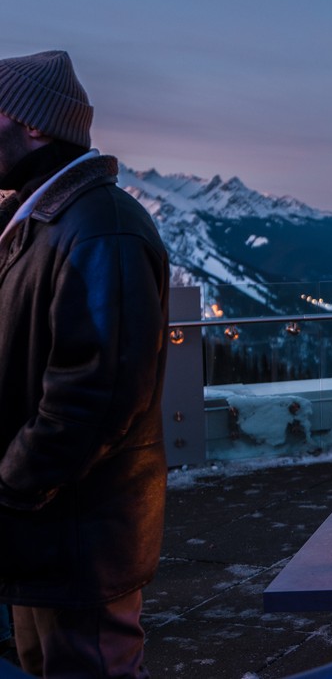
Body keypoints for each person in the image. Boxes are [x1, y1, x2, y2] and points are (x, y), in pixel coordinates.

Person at [0, 50, 170, 677]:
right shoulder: (40, 221)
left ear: (33, 123)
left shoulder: (103, 229)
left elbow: (95, 397)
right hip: (41, 530)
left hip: (79, 534)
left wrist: (12, 486)